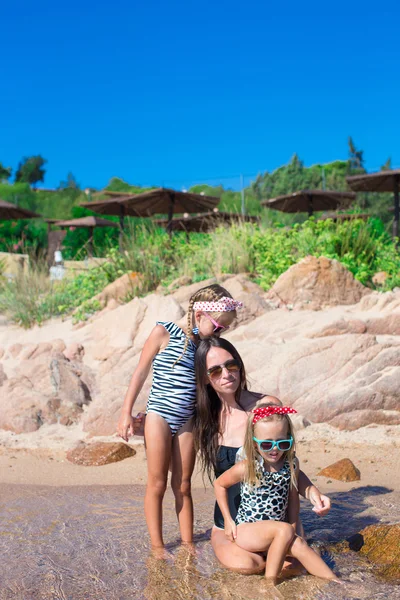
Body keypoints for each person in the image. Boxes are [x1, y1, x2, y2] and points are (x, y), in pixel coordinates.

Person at [117, 284, 243, 555]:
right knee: (158, 482)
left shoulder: (205, 348)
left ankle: (187, 544)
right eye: (218, 326)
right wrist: (126, 412)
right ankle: (158, 546)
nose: (220, 332)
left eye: (225, 329)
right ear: (200, 315)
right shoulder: (164, 332)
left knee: (183, 484)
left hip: (188, 420)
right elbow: (140, 373)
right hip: (159, 416)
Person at [194, 336, 332, 574]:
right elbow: (184, 481)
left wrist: (313, 493)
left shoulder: (266, 406)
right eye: (215, 370)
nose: (226, 374)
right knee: (248, 565)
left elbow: (288, 466)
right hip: (233, 526)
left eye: (231, 365)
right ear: (205, 378)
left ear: (240, 366)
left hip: (277, 521)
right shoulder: (205, 418)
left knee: (294, 567)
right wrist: (183, 545)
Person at [214, 403, 339, 591]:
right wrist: (228, 520)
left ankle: (338, 583)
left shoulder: (290, 464)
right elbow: (219, 484)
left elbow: (298, 490)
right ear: (254, 442)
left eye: (282, 443)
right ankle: (269, 584)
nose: (274, 449)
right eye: (266, 443)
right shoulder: (248, 466)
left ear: (289, 440)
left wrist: (314, 494)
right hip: (248, 530)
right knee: (284, 530)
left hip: (277, 534)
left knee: (301, 546)